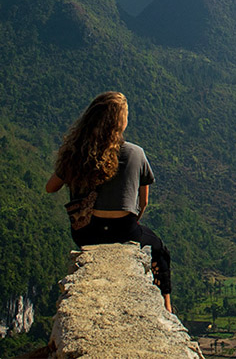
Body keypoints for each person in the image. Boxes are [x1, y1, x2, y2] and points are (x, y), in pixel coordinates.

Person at [45, 91, 172, 312]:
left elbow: (50, 187)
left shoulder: (78, 154)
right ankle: (167, 306)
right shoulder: (135, 153)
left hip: (86, 233)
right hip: (124, 232)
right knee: (159, 248)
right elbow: (143, 204)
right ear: (121, 122)